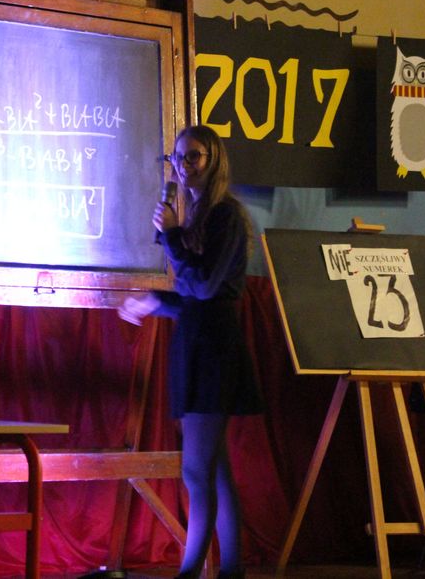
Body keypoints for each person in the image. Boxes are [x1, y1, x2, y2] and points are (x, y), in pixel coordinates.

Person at [118, 124, 262, 579]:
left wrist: (172, 236)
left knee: (197, 471)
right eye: (178, 157)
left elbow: (203, 287)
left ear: (213, 159)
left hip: (215, 352)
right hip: (197, 347)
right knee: (213, 470)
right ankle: (231, 570)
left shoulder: (226, 216)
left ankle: (191, 570)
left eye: (193, 156)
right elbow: (194, 298)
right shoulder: (199, 216)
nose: (183, 165)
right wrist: (154, 302)